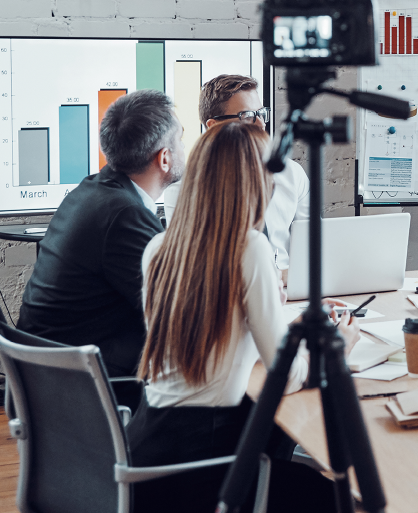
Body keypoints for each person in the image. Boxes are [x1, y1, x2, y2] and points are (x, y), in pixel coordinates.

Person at [130, 121, 358, 512]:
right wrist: (340, 346)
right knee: (338, 495)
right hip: (208, 466)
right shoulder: (249, 247)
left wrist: (278, 321)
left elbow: (203, 336)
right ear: (257, 180)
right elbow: (285, 378)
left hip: (149, 451)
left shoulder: (159, 246)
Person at [17, 90, 184, 378]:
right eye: (181, 138)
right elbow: (178, 309)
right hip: (84, 385)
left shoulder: (93, 190)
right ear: (165, 158)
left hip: (49, 375)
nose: (186, 146)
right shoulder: (123, 215)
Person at [163, 74, 310, 285]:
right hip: (228, 298)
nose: (260, 124)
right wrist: (275, 277)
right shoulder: (183, 186)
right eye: (247, 115)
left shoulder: (291, 173)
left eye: (261, 114)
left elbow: (312, 248)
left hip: (292, 291)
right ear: (213, 126)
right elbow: (193, 269)